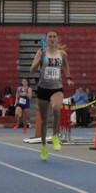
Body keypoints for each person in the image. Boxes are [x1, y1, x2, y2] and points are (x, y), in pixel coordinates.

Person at [30, 29, 72, 160]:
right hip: (43, 88)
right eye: (50, 37)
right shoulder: (41, 52)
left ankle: (54, 135)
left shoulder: (62, 54)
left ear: (57, 39)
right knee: (43, 121)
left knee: (56, 108)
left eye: (54, 37)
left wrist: (68, 78)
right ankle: (43, 147)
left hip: (56, 88)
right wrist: (40, 59)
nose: (52, 39)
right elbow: (32, 70)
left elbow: (65, 65)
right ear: (46, 39)